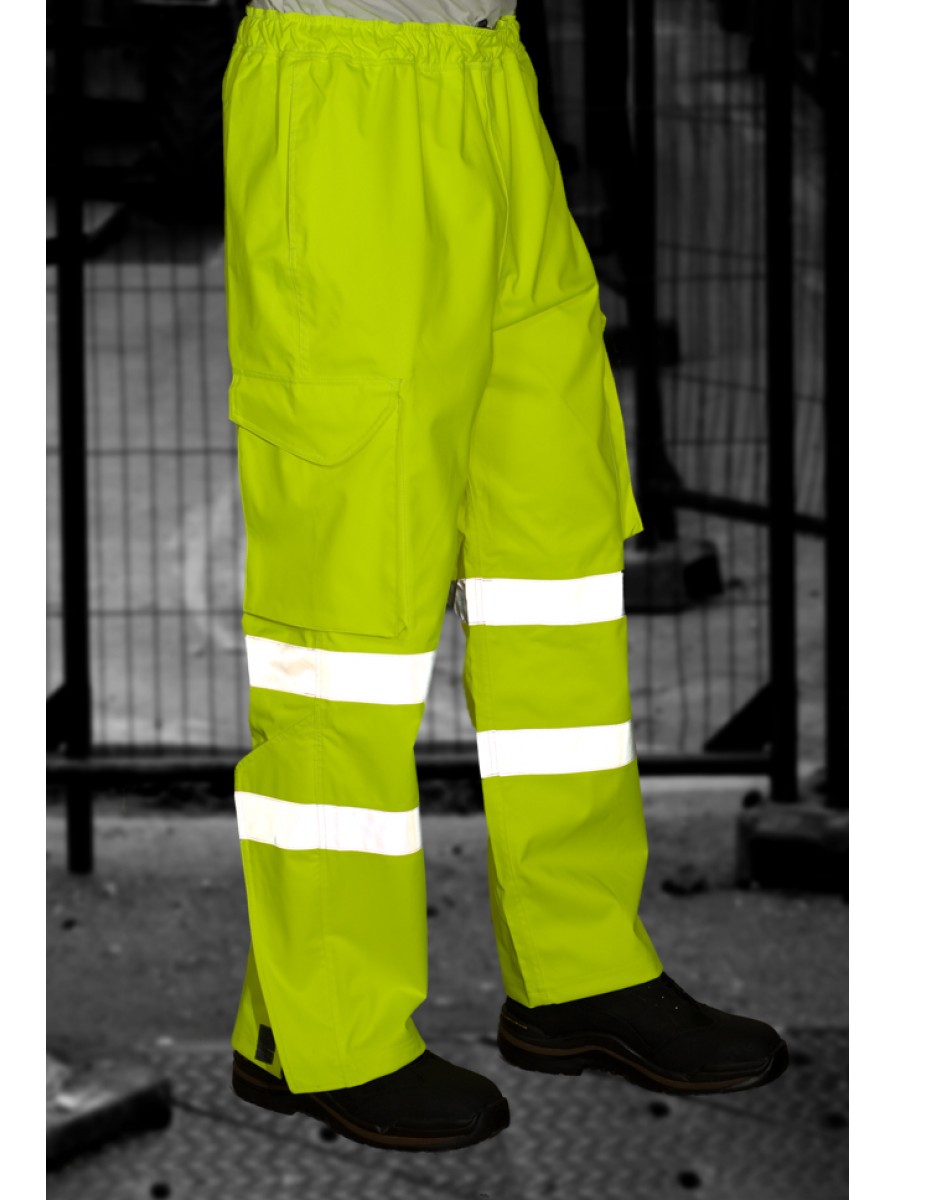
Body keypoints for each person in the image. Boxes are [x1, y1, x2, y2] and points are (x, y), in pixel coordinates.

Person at [221, 0, 788, 1154]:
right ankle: (318, 1025)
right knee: (348, 610)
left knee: (553, 566)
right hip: (341, 88)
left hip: (492, 75)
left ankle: (577, 970)